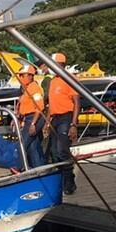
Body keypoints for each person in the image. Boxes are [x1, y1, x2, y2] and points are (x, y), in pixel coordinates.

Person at [46, 52, 80, 195]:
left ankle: (69, 181)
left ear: (60, 64)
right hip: (55, 118)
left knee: (62, 150)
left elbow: (77, 102)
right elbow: (51, 104)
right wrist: (47, 121)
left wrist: (73, 124)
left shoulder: (69, 79)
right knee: (54, 152)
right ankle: (59, 182)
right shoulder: (53, 81)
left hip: (66, 117)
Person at [15, 64, 46, 168]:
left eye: (22, 75)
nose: (20, 78)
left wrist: (33, 123)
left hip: (34, 118)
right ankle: (39, 166)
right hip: (28, 118)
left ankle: (19, 167)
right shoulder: (27, 89)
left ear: (30, 76)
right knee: (33, 146)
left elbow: (39, 107)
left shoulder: (34, 88)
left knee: (22, 144)